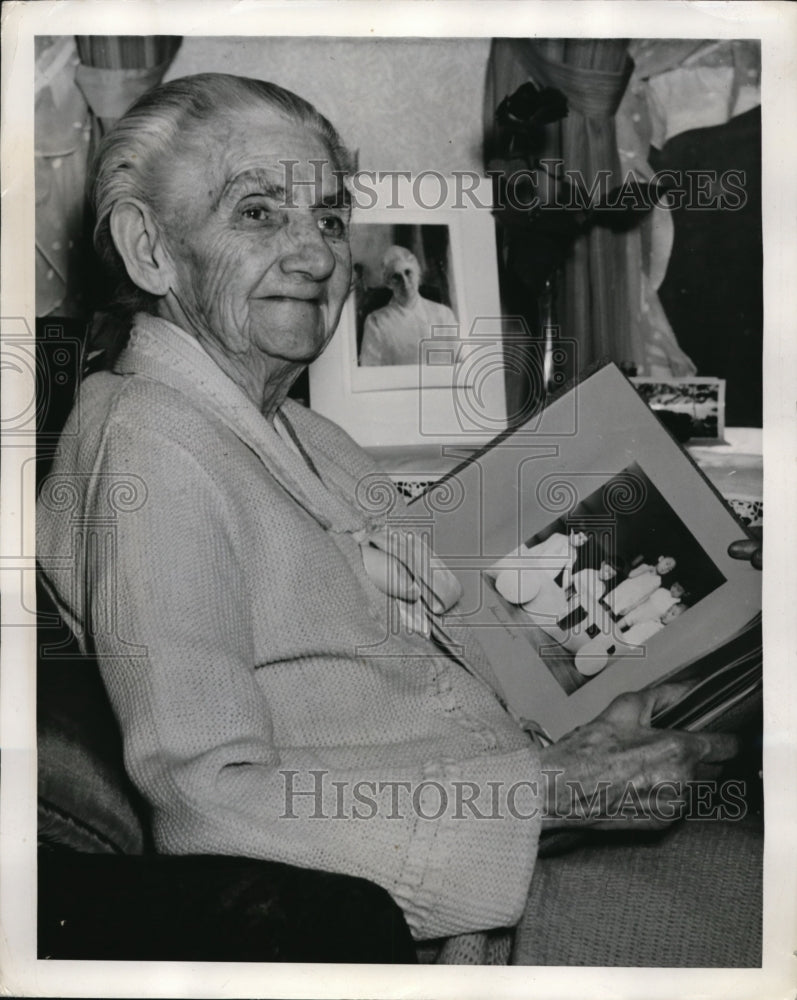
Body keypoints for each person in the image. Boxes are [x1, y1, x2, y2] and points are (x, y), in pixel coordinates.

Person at [37, 73, 755, 959]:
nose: (316, 256)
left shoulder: (305, 429)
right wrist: (553, 793)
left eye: (330, 221)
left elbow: (432, 664)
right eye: (259, 213)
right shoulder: (150, 445)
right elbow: (208, 802)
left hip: (516, 839)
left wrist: (603, 725)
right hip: (466, 916)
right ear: (150, 250)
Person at [358, 245, 457, 366]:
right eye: (396, 277)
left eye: (408, 273)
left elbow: (460, 360)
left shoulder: (443, 314)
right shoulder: (376, 322)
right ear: (388, 284)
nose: (404, 282)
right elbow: (370, 369)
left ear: (418, 275)